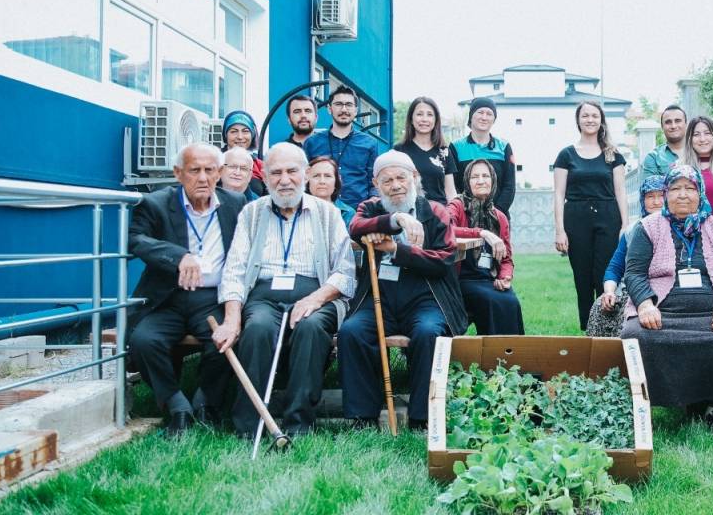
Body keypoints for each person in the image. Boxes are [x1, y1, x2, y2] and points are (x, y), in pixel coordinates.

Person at [218, 143, 356, 437]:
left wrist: (315, 299)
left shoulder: (327, 214)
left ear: (305, 174)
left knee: (310, 328)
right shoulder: (251, 213)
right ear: (265, 178)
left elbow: (345, 273)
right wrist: (232, 317)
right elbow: (234, 270)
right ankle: (249, 424)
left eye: (292, 171)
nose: (284, 179)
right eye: (276, 173)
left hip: (316, 294)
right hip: (263, 295)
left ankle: (299, 422)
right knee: (256, 329)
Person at [620, 165, 713, 427]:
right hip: (664, 314)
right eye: (675, 188)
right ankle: (651, 403)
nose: (683, 195)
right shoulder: (648, 227)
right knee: (634, 336)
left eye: (690, 188)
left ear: (700, 192)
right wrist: (646, 304)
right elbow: (634, 273)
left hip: (711, 312)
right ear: (666, 193)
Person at [340, 150, 467, 430]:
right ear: (376, 184)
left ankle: (422, 417)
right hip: (379, 297)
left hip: (426, 296)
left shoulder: (435, 211)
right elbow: (355, 226)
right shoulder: (371, 208)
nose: (395, 185)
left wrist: (398, 250)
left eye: (401, 178)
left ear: (415, 177)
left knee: (427, 332)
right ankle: (362, 416)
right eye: (387, 181)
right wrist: (394, 220)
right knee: (352, 331)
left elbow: (444, 260)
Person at [128, 143, 245, 436]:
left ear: (219, 173)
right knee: (144, 340)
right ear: (178, 173)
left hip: (212, 297)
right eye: (194, 170)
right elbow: (134, 239)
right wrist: (178, 255)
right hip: (169, 296)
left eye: (209, 170)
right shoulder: (155, 203)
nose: (203, 178)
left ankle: (206, 402)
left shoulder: (236, 203)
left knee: (227, 339)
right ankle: (176, 405)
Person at [553, 100, 628, 331]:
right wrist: (560, 230)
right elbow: (558, 193)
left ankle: (609, 329)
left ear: (601, 120)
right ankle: (588, 329)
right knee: (583, 279)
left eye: (594, 115)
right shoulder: (566, 155)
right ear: (578, 120)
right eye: (585, 115)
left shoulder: (612, 154)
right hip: (576, 219)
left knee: (605, 276)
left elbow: (620, 191)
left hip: (608, 217)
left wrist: (625, 225)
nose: (590, 119)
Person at [445, 160, 524, 335]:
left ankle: (512, 356)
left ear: (493, 180)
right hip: (461, 280)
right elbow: (446, 228)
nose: (481, 181)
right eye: (475, 176)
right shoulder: (457, 206)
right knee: (492, 300)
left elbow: (507, 259)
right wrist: (482, 233)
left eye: (485, 176)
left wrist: (505, 276)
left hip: (488, 278)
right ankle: (492, 355)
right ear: (467, 181)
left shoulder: (500, 217)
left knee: (511, 301)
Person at [587, 175, 667, 337]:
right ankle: (602, 358)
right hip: (630, 288)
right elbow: (615, 267)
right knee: (599, 307)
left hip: (661, 289)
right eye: (650, 196)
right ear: (642, 200)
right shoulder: (632, 230)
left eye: (661, 196)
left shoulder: (677, 227)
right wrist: (609, 291)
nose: (656, 202)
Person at [303, 86, 379, 210]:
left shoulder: (370, 143)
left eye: (349, 105)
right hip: (319, 210)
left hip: (357, 214)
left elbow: (374, 181)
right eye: (338, 104)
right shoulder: (312, 142)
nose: (344, 109)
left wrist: (372, 201)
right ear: (329, 109)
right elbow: (304, 179)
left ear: (356, 110)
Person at [448, 96, 516, 215]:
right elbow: (453, 185)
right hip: (466, 216)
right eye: (480, 112)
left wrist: (496, 213)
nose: (484, 117)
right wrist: (465, 211)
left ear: (494, 119)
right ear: (471, 116)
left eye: (489, 114)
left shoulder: (504, 147)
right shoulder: (456, 147)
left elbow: (509, 186)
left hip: (498, 216)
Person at [394, 96, 455, 204]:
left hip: (440, 214)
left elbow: (450, 192)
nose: (424, 119)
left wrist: (453, 215)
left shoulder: (444, 151)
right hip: (409, 214)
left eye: (430, 115)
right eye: (419, 114)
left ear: (436, 120)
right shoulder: (399, 150)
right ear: (411, 119)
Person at [306, 156, 355, 226]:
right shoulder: (297, 211)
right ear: (307, 181)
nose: (322, 181)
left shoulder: (348, 213)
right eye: (316, 176)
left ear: (336, 181)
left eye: (327, 176)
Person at [641, 105, 687, 177]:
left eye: (677, 121)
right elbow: (650, 187)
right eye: (668, 122)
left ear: (686, 124)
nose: (673, 126)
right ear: (662, 127)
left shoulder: (698, 151)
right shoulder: (653, 157)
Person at [221, 110, 264, 186]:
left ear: (252, 135)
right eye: (234, 132)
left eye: (245, 131)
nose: (240, 137)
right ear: (225, 135)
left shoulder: (260, 164)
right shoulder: (214, 160)